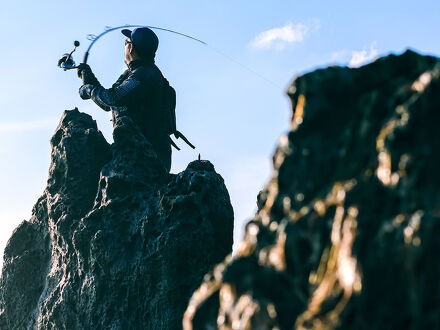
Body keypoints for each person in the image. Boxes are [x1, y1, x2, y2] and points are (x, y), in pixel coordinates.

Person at [77, 27, 172, 172]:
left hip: (148, 160)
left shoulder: (143, 75)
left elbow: (113, 98)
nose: (125, 46)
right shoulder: (136, 72)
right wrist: (87, 75)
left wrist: (89, 90)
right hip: (139, 155)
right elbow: (109, 103)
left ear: (131, 47)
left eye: (126, 42)